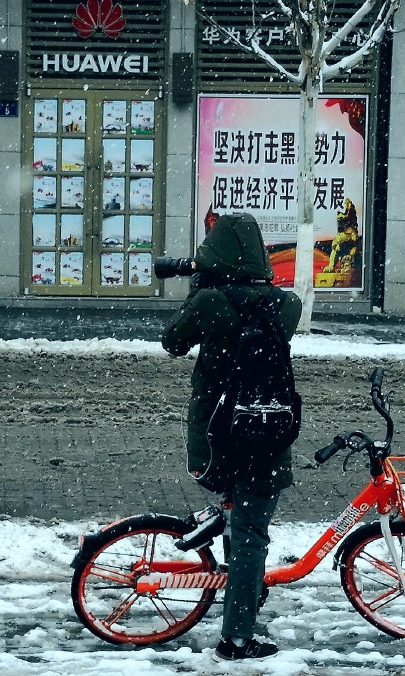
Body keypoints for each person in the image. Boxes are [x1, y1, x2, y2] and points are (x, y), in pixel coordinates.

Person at [160, 212, 301, 662]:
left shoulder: (210, 301)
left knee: (242, 529)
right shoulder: (288, 304)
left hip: (217, 436)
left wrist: (199, 287)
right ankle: (240, 623)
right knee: (251, 533)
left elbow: (173, 341)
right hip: (268, 431)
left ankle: (236, 632)